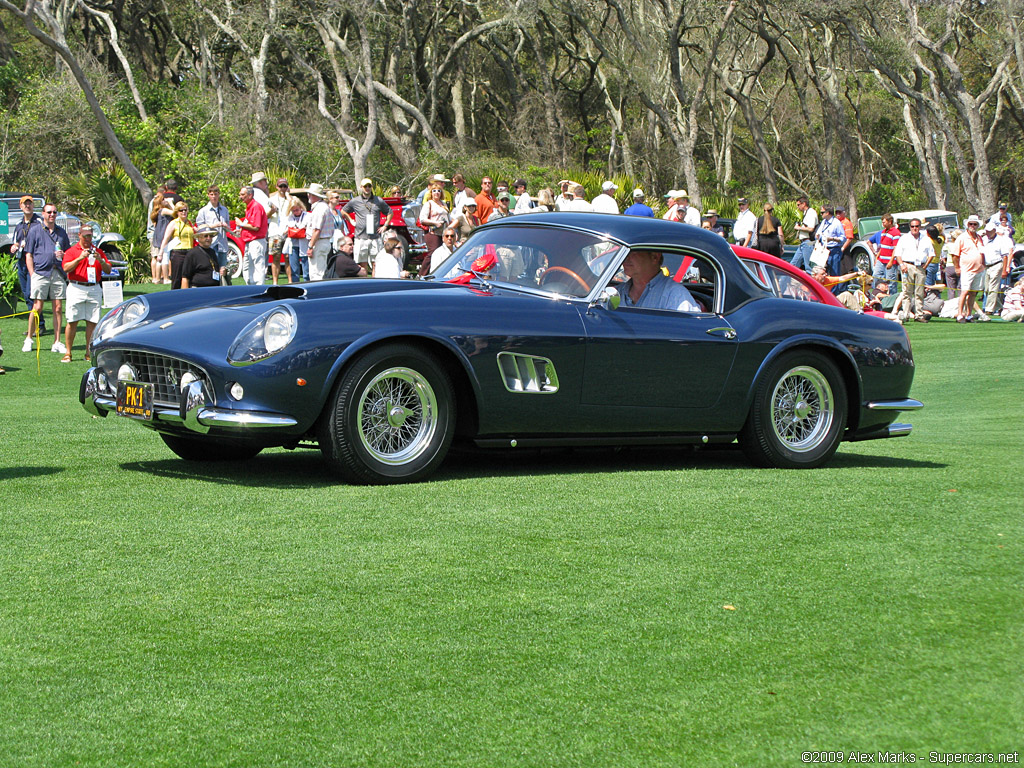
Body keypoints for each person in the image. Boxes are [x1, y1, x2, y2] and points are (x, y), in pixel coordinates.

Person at [22, 203, 70, 353]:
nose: (52, 215)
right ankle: (29, 338)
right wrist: (32, 273)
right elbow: (28, 254)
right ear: (43, 214)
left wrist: (63, 256)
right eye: (49, 212)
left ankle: (57, 342)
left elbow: (68, 253)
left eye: (55, 212)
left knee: (57, 308)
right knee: (37, 307)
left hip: (57, 272)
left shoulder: (61, 233)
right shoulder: (35, 230)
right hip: (40, 273)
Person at [60, 223, 112, 361]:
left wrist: (100, 260)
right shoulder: (72, 251)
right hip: (76, 287)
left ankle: (89, 353)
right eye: (86, 236)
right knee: (72, 320)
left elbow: (108, 270)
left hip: (94, 287)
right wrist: (79, 258)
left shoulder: (98, 251)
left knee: (92, 321)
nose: (88, 239)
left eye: (90, 236)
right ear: (80, 235)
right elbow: (66, 268)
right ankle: (68, 352)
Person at [615, 250, 701, 312]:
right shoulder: (616, 292)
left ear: (654, 257)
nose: (626, 257)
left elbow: (688, 331)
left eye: (633, 252)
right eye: (624, 252)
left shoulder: (676, 295)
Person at [342, 178, 392, 272]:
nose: (367, 188)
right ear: (361, 187)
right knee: (362, 265)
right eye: (365, 186)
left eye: (369, 186)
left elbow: (389, 212)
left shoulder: (379, 200)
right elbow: (343, 211)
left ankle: (375, 284)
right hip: (361, 237)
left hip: (375, 237)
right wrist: (351, 220)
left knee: (376, 263)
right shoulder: (355, 201)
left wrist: (385, 225)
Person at [891, 217, 932, 321]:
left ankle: (919, 315)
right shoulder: (904, 238)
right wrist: (902, 265)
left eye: (917, 226)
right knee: (907, 292)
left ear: (920, 227)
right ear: (910, 227)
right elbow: (898, 254)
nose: (915, 228)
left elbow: (931, 254)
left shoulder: (925, 238)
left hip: (920, 267)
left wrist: (925, 265)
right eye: (913, 226)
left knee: (919, 292)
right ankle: (906, 314)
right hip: (907, 266)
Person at [11, 195, 43, 328]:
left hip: (34, 262)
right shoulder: (19, 225)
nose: (27, 206)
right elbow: (15, 241)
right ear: (21, 206)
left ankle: (39, 325)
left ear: (33, 206)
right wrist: (15, 246)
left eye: (30, 203)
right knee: (26, 294)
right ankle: (35, 324)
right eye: (25, 204)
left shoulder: (39, 223)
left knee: (33, 293)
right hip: (21, 261)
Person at [950, 215, 986, 322]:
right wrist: (957, 268)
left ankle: (969, 314)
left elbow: (982, 253)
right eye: (971, 224)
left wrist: (983, 265)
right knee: (964, 292)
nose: (973, 226)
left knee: (973, 293)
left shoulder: (979, 238)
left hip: (979, 270)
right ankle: (960, 314)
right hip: (967, 269)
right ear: (967, 225)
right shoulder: (962, 237)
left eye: (975, 224)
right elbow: (955, 255)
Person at [194, 185, 231, 277]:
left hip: (222, 243)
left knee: (223, 270)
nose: (214, 196)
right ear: (208, 195)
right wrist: (214, 226)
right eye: (211, 194)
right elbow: (200, 227)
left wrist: (227, 226)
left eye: (215, 194)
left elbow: (228, 225)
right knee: (212, 269)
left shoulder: (224, 210)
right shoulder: (203, 211)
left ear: (219, 195)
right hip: (211, 243)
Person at [236, 185, 268, 285]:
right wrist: (241, 229)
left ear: (250, 195)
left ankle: (259, 289)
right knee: (247, 267)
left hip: (256, 241)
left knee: (257, 266)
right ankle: (250, 288)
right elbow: (249, 224)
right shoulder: (249, 207)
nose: (240, 197)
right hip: (249, 242)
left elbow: (256, 227)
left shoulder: (256, 207)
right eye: (240, 194)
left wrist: (241, 224)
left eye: (242, 194)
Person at [160, 201, 195, 290]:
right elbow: (166, 238)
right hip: (178, 253)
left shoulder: (189, 223)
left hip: (189, 252)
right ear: (177, 212)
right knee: (177, 278)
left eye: (185, 210)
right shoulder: (174, 223)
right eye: (181, 210)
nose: (183, 212)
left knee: (190, 277)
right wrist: (160, 253)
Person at [980, 222, 1012, 316]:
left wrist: (1005, 270)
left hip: (997, 264)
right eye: (987, 231)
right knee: (986, 289)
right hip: (986, 266)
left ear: (994, 231)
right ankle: (999, 307)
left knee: (993, 288)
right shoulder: (984, 239)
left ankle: (989, 309)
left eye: (990, 231)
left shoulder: (1000, 240)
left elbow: (1005, 256)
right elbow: (982, 253)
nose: (988, 233)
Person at [306, 183, 335, 281]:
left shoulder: (319, 209)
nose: (308, 196)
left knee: (316, 273)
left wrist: (310, 246)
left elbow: (317, 230)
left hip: (319, 242)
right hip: (323, 241)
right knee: (319, 271)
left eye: (310, 194)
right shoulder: (324, 206)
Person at [815, 205, 847, 291]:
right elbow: (818, 234)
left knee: (834, 274)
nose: (821, 214)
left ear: (827, 213)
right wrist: (818, 236)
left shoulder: (836, 223)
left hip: (834, 250)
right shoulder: (823, 222)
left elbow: (843, 238)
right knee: (823, 273)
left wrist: (832, 239)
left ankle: (835, 294)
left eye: (822, 212)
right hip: (824, 250)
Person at [417, 180, 450, 261]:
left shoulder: (444, 204)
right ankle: (422, 273)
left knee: (443, 254)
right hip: (432, 233)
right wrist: (435, 223)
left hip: (443, 233)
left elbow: (448, 218)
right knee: (432, 253)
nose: (436, 193)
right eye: (434, 191)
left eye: (439, 191)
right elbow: (422, 219)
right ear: (431, 193)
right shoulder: (429, 203)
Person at [267, 178, 292, 285]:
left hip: (287, 231)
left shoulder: (290, 199)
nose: (283, 189)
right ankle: (275, 282)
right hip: (274, 232)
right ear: (277, 187)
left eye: (285, 186)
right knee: (276, 257)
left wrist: (288, 195)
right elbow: (265, 216)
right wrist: (272, 211)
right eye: (280, 186)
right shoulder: (271, 199)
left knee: (287, 257)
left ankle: (290, 281)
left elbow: (298, 209)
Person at [871, 214, 900, 291]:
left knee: (890, 281)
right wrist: (877, 258)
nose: (882, 224)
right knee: (876, 275)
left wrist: (891, 261)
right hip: (881, 259)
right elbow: (882, 246)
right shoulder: (883, 232)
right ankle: (876, 293)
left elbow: (896, 249)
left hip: (890, 261)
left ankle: (891, 297)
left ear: (890, 222)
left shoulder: (895, 233)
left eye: (884, 222)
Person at [284, 197, 310, 282]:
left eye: (297, 210)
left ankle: (308, 283)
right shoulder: (289, 217)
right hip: (293, 244)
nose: (295, 212)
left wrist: (297, 229)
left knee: (306, 268)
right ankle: (295, 284)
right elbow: (286, 229)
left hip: (304, 243)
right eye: (293, 210)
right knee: (294, 269)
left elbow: (307, 228)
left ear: (301, 207)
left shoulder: (307, 216)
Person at [790, 196, 818, 273]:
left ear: (804, 204)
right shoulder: (806, 213)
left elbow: (811, 228)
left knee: (808, 268)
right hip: (803, 243)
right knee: (793, 265)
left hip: (808, 242)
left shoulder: (811, 213)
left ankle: (811, 284)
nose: (797, 206)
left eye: (798, 204)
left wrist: (798, 228)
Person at [835, 206, 856, 275]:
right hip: (837, 248)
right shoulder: (836, 222)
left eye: (839, 212)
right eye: (836, 212)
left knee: (848, 269)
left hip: (844, 248)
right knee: (840, 269)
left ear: (844, 213)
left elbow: (849, 238)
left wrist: (843, 248)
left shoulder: (847, 223)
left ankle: (853, 284)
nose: (838, 214)